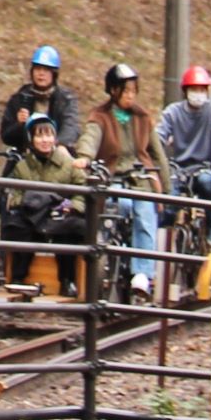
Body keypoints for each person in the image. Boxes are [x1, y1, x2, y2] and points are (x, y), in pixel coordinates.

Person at [77, 62, 169, 299]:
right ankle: (110, 258)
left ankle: (142, 273)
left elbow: (158, 154)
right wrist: (84, 157)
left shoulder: (143, 117)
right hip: (113, 177)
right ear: (114, 91)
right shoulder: (100, 117)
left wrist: (166, 189)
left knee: (145, 212)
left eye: (133, 91)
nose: (130, 96)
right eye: (125, 91)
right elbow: (90, 137)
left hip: (141, 179)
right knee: (120, 206)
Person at [0, 113, 90, 296]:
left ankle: (67, 280)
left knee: (71, 231)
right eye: (40, 135)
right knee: (16, 226)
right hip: (32, 214)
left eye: (49, 135)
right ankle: (18, 278)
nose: (45, 140)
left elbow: (83, 190)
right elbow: (12, 193)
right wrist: (25, 202)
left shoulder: (68, 163)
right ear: (31, 139)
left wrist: (72, 206)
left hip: (59, 214)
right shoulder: (22, 167)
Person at [157, 65, 211, 245]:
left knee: (207, 183)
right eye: (194, 89)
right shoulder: (173, 112)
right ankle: (163, 238)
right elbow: (158, 136)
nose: (198, 93)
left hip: (205, 167)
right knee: (169, 201)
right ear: (185, 91)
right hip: (179, 167)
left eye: (201, 89)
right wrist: (154, 157)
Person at [0, 45, 81, 154]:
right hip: (25, 156)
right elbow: (6, 136)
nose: (41, 73)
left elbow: (71, 128)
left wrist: (52, 145)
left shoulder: (65, 99)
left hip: (57, 153)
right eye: (38, 69)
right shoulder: (19, 98)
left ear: (54, 74)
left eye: (46, 70)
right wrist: (19, 125)